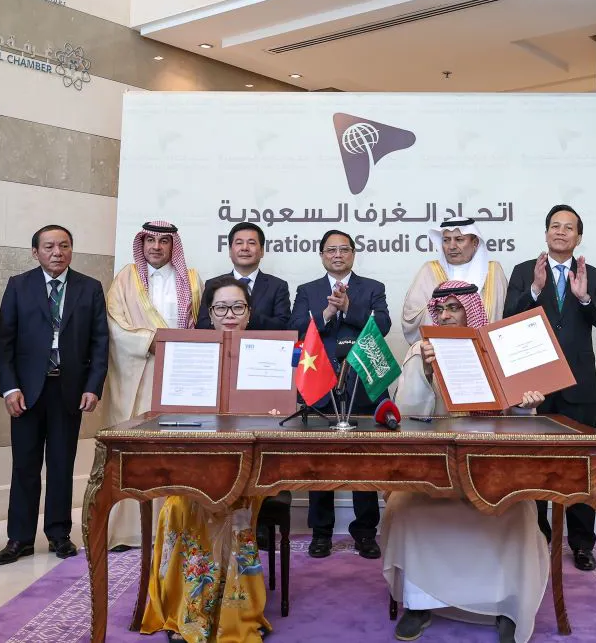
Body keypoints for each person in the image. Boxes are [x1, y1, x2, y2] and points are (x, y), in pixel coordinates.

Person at [384, 279, 549, 643]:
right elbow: (406, 415)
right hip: (437, 468)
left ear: (470, 310)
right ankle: (420, 603)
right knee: (406, 507)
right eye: (440, 309)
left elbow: (519, 419)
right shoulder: (420, 352)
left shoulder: (498, 350)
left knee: (518, 514)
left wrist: (526, 405)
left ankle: (506, 606)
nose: (445, 316)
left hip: (492, 466)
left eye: (454, 308)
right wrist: (427, 374)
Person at [141, 276, 270, 643]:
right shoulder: (188, 354)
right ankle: (189, 612)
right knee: (178, 507)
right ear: (209, 315)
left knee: (234, 510)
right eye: (221, 308)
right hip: (195, 463)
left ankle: (234, 614)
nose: (230, 314)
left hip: (249, 469)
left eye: (238, 307)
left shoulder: (266, 356)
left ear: (249, 314)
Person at [503, 204, 596, 571]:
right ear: (545, 233)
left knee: (579, 466)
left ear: (578, 237)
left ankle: (582, 543)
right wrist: (534, 290)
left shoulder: (594, 277)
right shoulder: (524, 272)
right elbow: (507, 320)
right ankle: (538, 537)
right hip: (533, 389)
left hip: (578, 387)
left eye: (568, 227)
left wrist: (585, 298)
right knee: (535, 463)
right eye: (555, 226)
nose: (560, 232)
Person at [0, 225, 109, 565]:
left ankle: (59, 534)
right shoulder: (19, 285)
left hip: (68, 389)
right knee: (25, 466)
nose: (57, 252)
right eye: (49, 246)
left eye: (64, 245)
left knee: (61, 464)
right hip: (27, 391)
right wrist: (9, 387)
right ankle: (19, 538)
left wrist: (93, 385)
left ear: (71, 249)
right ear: (35, 252)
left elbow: (100, 343)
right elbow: (4, 343)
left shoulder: (90, 288)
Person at [289, 229, 391, 560]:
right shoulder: (307, 291)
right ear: (321, 255)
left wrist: (349, 307)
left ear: (353, 254)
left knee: (365, 464)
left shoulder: (373, 288)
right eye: (330, 250)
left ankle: (365, 533)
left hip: (363, 385)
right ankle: (321, 533)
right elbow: (295, 327)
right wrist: (327, 314)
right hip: (320, 385)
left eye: (343, 249)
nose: (337, 255)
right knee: (319, 464)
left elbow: (383, 326)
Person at [105, 220, 203, 549]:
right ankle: (129, 531)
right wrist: (149, 342)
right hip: (140, 372)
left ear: (174, 246)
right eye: (150, 241)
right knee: (137, 448)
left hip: (179, 376)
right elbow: (115, 323)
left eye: (163, 241)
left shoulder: (192, 280)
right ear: (142, 244)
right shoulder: (126, 278)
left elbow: (200, 326)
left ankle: (175, 527)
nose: (156, 247)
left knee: (175, 448)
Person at [401, 217, 508, 344]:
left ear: (475, 242)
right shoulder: (429, 270)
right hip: (440, 348)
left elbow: (506, 315)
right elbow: (412, 318)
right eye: (446, 240)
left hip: (487, 346)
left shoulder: (493, 271)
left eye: (459, 239)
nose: (452, 246)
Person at [197, 222, 290, 331]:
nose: (245, 248)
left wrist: (244, 316)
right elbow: (202, 324)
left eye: (251, 243)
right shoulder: (213, 284)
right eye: (239, 243)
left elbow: (283, 325)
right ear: (230, 251)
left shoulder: (277, 286)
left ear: (262, 251)